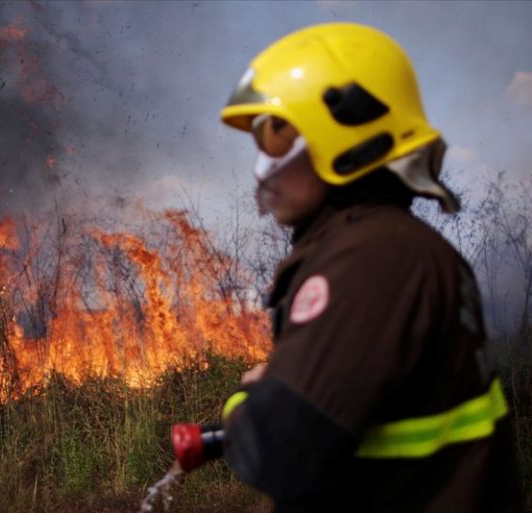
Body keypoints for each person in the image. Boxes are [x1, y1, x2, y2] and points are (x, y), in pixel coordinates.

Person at [217, 22, 523, 512]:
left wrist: (246, 404)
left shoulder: (374, 262)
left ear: (342, 136)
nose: (263, 169)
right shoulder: (396, 248)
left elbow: (280, 453)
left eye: (276, 137)